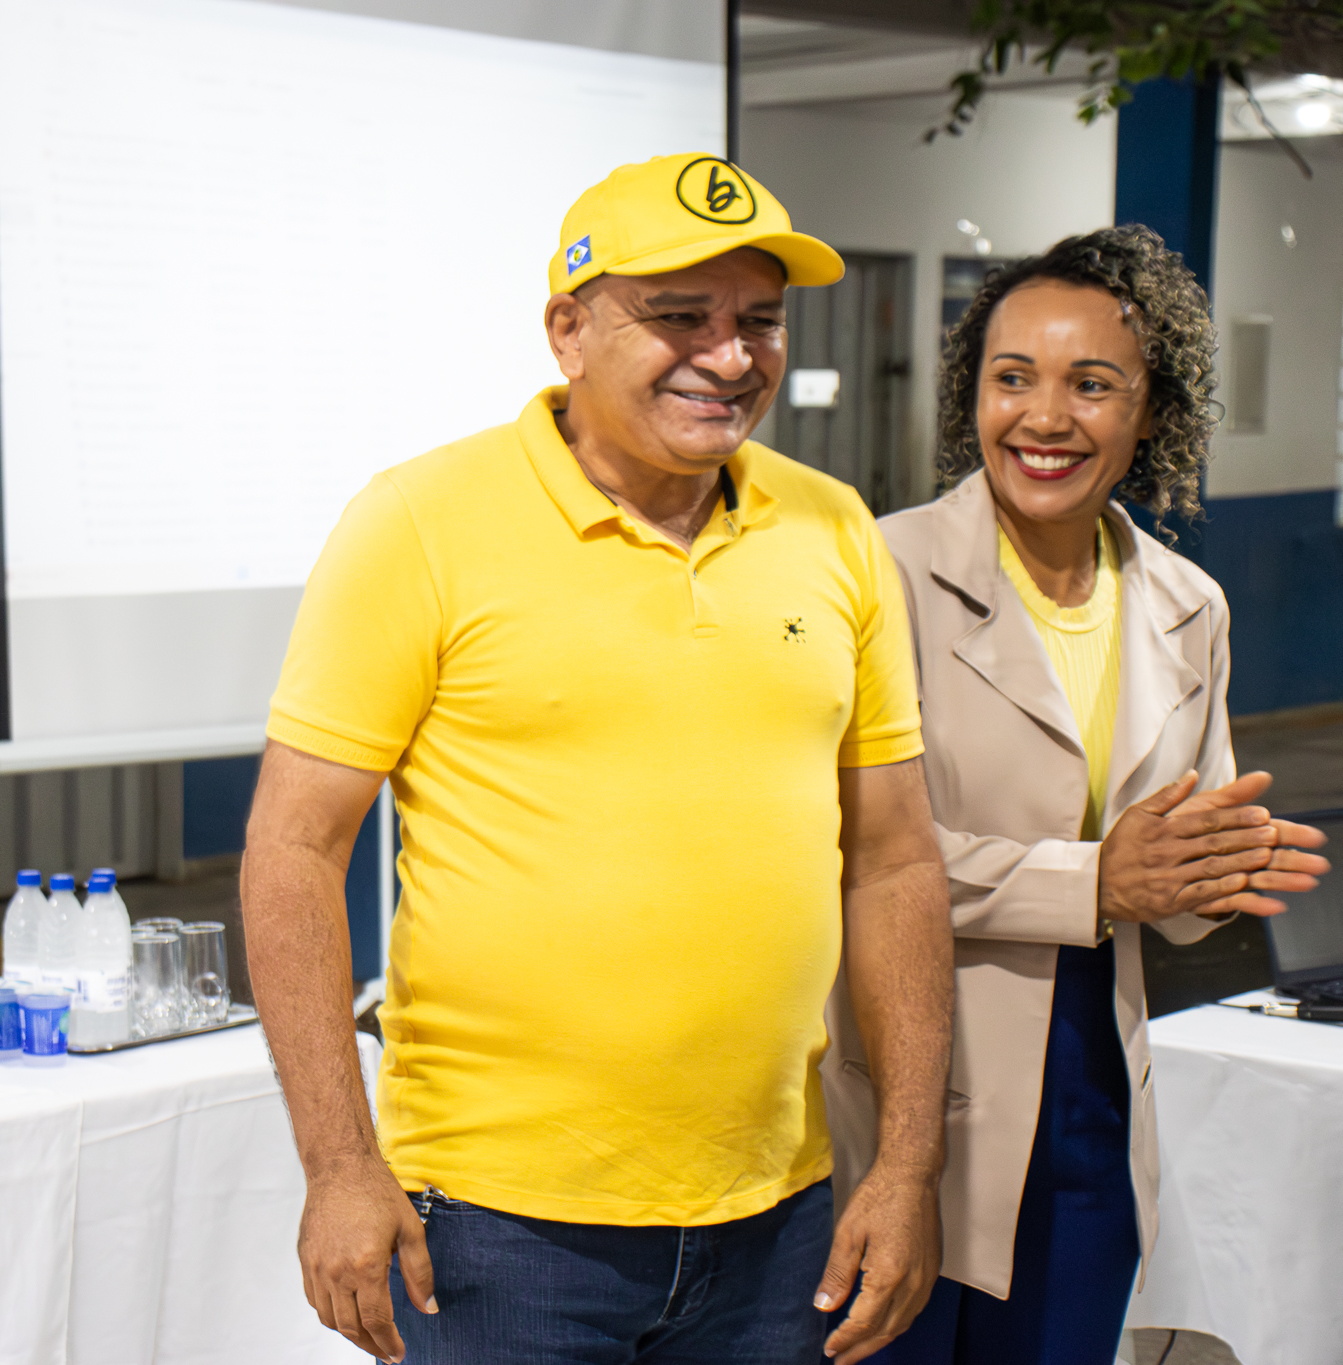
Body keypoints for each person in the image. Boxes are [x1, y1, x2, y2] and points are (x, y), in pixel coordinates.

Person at [243, 152, 955, 1365]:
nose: (728, 357)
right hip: (493, 1228)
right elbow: (293, 847)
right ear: (567, 332)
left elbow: (892, 862)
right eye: (678, 316)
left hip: (778, 1215)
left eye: (758, 320)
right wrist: (339, 1166)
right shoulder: (419, 522)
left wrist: (904, 1166)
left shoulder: (831, 526)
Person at [822, 225, 1328, 1364]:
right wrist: (1094, 881)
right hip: (898, 1093)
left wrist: (1212, 875)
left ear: (1152, 411)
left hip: (1090, 1094)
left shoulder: (1188, 604)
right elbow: (844, 853)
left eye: (1091, 385)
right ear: (972, 394)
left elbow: (1170, 888)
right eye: (1013, 378)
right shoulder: (874, 573)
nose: (1043, 418)